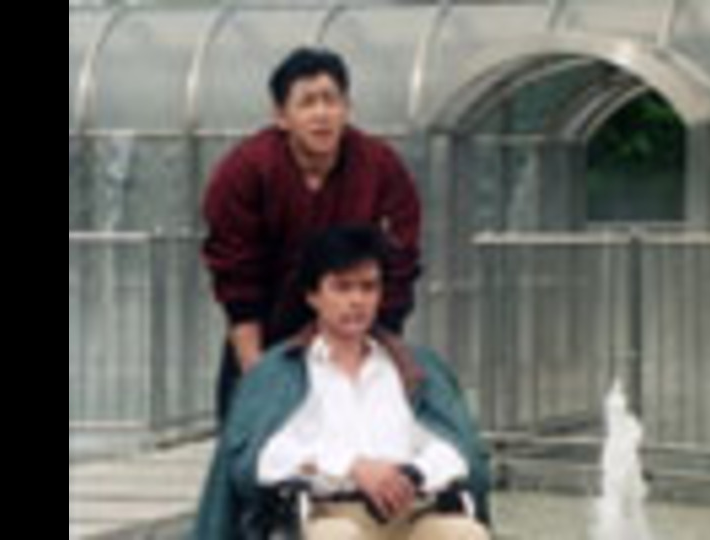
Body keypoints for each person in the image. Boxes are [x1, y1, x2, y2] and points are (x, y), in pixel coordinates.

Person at [193, 226, 490, 540]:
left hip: (415, 510)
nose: (357, 300)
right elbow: (261, 459)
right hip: (325, 514)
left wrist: (414, 473)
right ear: (313, 295)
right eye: (342, 287)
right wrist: (351, 467)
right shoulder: (280, 373)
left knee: (463, 534)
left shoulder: (414, 367)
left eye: (368, 287)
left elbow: (460, 449)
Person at [202, 48, 423, 422]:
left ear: (347, 108)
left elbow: (399, 261)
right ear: (281, 116)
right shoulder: (244, 171)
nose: (321, 114)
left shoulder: (380, 166)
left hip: (356, 331)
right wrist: (257, 375)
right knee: (254, 439)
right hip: (268, 326)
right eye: (307, 102)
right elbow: (236, 276)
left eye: (330, 100)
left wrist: (377, 356)